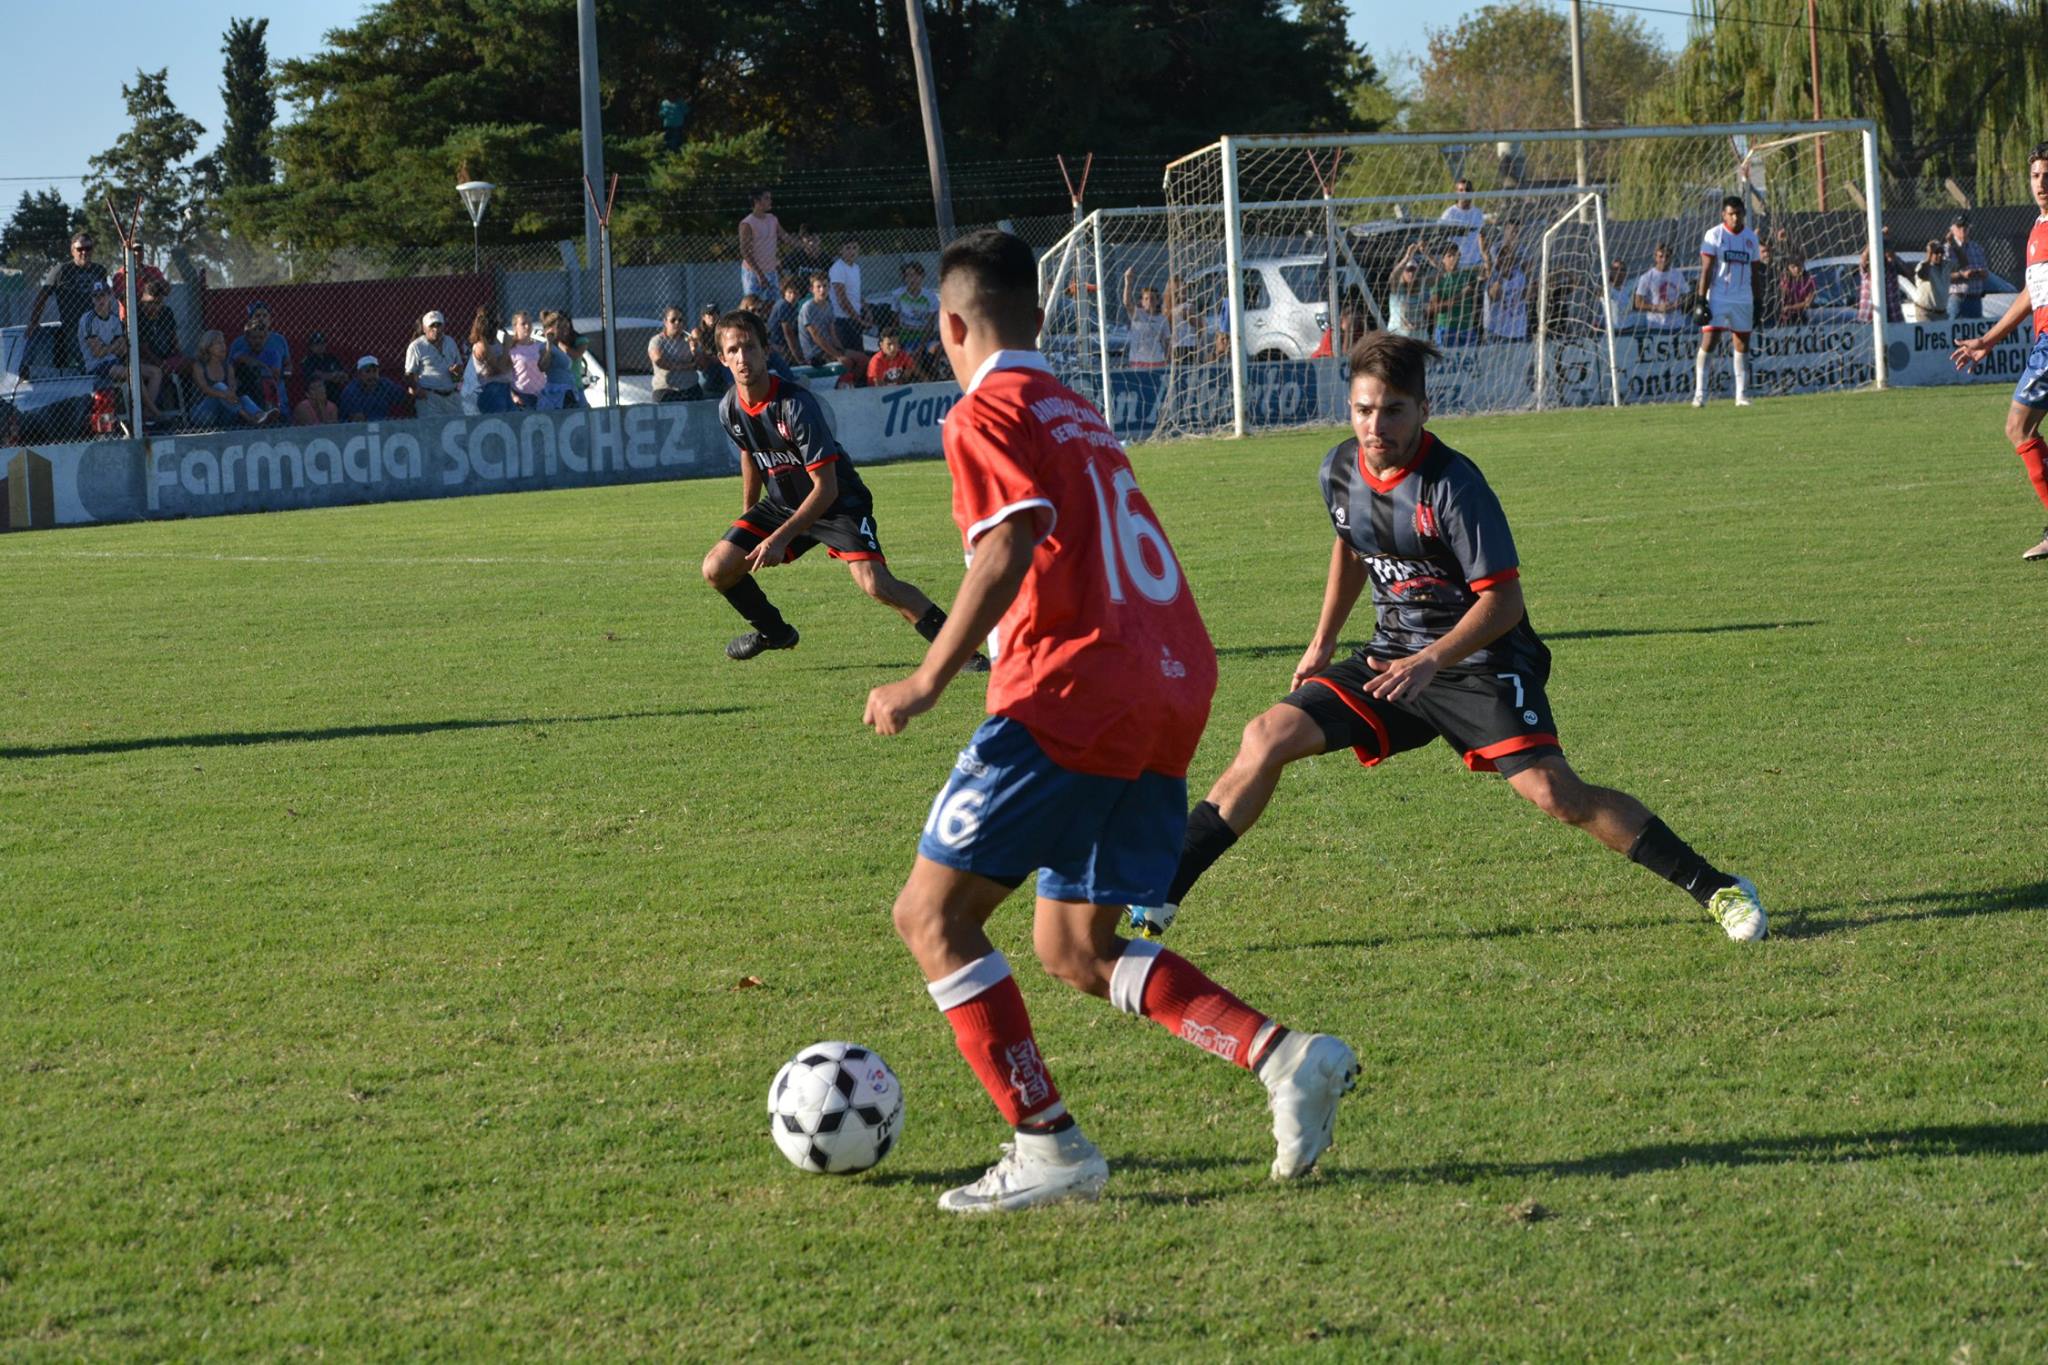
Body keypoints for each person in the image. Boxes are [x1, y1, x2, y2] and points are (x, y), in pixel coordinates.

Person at [861, 228, 1358, 1214]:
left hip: (1074, 687)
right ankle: (1282, 1057)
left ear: (950, 327)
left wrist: (925, 677)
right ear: (1041, 315)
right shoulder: (1075, 408)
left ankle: (1047, 1145)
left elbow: (1009, 541)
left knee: (931, 916)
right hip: (1170, 680)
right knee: (1073, 946)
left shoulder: (987, 407)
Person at [1127, 330, 1769, 950]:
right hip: (1391, 659)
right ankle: (1164, 888)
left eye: (1393, 411)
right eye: (1363, 410)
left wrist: (1432, 660)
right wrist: (1322, 643)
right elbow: (1352, 545)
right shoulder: (1340, 469)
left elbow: (1504, 601)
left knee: (1555, 794)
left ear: (1424, 409)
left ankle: (1717, 888)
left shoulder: (1454, 485)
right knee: (1266, 736)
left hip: (1479, 662)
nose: (1376, 426)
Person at [699, 307, 991, 670]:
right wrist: (749, 515)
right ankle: (775, 633)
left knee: (876, 584)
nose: (743, 357)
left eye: (749, 347)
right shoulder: (729, 407)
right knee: (717, 567)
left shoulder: (795, 405)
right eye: (733, 350)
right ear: (722, 358)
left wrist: (778, 539)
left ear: (766, 350)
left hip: (837, 503)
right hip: (783, 504)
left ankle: (962, 653)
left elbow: (826, 488)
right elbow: (750, 453)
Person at [1951, 140, 2048, 561]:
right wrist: (1988, 340)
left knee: (2018, 427)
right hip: (2043, 341)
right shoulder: (2039, 228)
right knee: (2020, 429)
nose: (2041, 183)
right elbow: (2031, 292)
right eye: (2035, 175)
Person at [1692, 197, 1761, 407]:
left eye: (1738, 213)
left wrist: (1758, 301)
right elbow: (1706, 269)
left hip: (1743, 298)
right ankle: (1700, 394)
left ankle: (1741, 395)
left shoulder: (1751, 238)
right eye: (1731, 214)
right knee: (1710, 340)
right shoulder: (1714, 235)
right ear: (1723, 214)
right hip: (1718, 296)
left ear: (1744, 214)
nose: (1735, 217)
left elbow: (1755, 273)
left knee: (1742, 343)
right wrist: (1701, 300)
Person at [78, 281, 162, 425]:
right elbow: (97, 353)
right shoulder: (88, 319)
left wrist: (107, 348)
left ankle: (146, 414)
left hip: (115, 362)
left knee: (155, 372)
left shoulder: (114, 319)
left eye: (103, 295)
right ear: (92, 299)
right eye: (96, 296)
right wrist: (113, 347)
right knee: (132, 374)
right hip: (96, 366)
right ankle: (155, 413)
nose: (100, 300)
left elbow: (122, 349)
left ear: (109, 296)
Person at [22, 232, 108, 368]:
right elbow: (42, 296)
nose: (84, 252)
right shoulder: (61, 270)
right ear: (72, 251)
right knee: (90, 363)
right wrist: (34, 322)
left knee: (113, 356)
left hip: (99, 327)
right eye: (80, 249)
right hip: (74, 328)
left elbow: (106, 298)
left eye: (88, 248)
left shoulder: (99, 270)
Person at [189, 329, 275, 427]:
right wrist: (225, 395)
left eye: (223, 342)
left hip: (224, 413)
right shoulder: (199, 366)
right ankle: (249, 418)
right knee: (219, 386)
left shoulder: (227, 366)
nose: (223, 346)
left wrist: (230, 394)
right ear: (208, 346)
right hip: (204, 414)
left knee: (244, 398)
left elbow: (232, 386)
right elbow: (205, 389)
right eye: (218, 343)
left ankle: (260, 415)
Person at [229, 301, 291, 416]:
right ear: (250, 319)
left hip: (275, 390)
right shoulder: (239, 343)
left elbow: (288, 365)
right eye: (257, 315)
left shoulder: (279, 340)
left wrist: (285, 374)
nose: (262, 318)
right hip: (248, 390)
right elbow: (230, 366)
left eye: (265, 315)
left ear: (270, 319)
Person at [134, 278, 188, 403]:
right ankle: (152, 408)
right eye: (150, 303)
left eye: (158, 303)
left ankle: (185, 405)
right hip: (147, 360)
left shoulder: (166, 312)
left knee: (190, 365)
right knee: (156, 372)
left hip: (167, 356)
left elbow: (174, 339)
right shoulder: (137, 315)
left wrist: (179, 355)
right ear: (142, 300)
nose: (154, 307)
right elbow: (143, 348)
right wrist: (160, 364)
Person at [403, 310, 464, 418]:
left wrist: (456, 372)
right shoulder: (416, 346)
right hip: (430, 399)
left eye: (439, 325)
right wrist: (417, 390)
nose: (436, 329)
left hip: (453, 397)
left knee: (459, 426)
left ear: (443, 326)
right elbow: (409, 375)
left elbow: (458, 373)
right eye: (432, 326)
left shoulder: (450, 342)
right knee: (432, 428)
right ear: (424, 328)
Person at [892, 261, 942, 375]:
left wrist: (921, 346)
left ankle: (936, 372)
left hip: (925, 335)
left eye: (915, 275)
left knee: (937, 348)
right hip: (907, 335)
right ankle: (922, 378)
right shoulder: (898, 295)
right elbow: (895, 320)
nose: (912, 279)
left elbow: (930, 324)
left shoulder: (930, 297)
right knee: (911, 355)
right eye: (908, 275)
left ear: (921, 276)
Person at [1427, 243, 1479, 347]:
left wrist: (1483, 249)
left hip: (1467, 328)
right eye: (1449, 256)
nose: (1453, 258)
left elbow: (1487, 272)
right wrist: (1462, 295)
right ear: (1443, 259)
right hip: (1446, 329)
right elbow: (1437, 308)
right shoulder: (1438, 280)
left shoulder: (1468, 275)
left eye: (1455, 255)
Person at [468, 306, 516, 414]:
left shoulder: (496, 342)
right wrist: (506, 347)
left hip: (505, 388)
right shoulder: (481, 344)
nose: (500, 322)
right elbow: (500, 368)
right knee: (499, 421)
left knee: (513, 418)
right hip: (491, 390)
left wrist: (506, 351)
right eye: (497, 320)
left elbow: (509, 365)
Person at [1944, 213, 1990, 320]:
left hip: (1975, 299)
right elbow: (1944, 276)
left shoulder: (1977, 248)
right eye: (1959, 226)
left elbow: (1986, 273)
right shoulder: (1947, 250)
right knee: (1955, 329)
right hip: (1957, 299)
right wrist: (1961, 275)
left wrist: (1979, 273)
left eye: (1965, 226)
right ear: (1952, 229)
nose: (1963, 229)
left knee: (1976, 330)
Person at [1481, 239, 1528, 343]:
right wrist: (1500, 277)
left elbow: (1526, 295)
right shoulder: (1492, 277)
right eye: (1503, 258)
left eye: (1509, 258)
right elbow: (1495, 296)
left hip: (1519, 331)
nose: (1507, 261)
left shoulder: (1519, 275)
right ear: (1497, 260)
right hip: (1497, 333)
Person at [1121, 268, 1170, 367]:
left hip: (1157, 361)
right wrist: (1128, 282)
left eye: (1152, 298)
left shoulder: (1162, 319)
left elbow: (1167, 342)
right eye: (1146, 299)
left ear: (1157, 301)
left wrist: (1168, 360)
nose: (1149, 301)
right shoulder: (1137, 314)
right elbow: (1127, 302)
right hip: (1138, 362)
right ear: (1142, 302)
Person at [650, 307, 701, 402]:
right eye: (673, 320)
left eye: (680, 320)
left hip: (690, 387)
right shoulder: (657, 341)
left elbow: (701, 364)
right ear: (665, 322)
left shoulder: (689, 339)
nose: (677, 323)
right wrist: (687, 366)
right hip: (666, 389)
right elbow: (659, 361)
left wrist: (694, 349)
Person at [739, 188, 782, 298]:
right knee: (753, 303)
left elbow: (784, 236)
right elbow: (744, 251)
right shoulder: (747, 224)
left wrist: (804, 244)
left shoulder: (772, 219)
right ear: (757, 201)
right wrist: (759, 274)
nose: (770, 201)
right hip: (753, 272)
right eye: (766, 198)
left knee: (772, 303)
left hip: (771, 271)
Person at [1634, 243, 1687, 332]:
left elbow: (1686, 295)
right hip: (1655, 326)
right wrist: (1657, 308)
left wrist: (1676, 304)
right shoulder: (1646, 277)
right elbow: (1638, 303)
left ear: (1671, 258)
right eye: (1661, 256)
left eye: (1667, 256)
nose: (1664, 259)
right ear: (1655, 257)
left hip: (1677, 325)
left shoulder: (1678, 275)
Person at [828, 237, 868, 357]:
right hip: (842, 321)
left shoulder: (856, 267)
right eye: (848, 248)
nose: (852, 251)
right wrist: (858, 320)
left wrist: (866, 309)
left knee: (860, 355)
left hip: (855, 318)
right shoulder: (838, 268)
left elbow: (856, 293)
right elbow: (842, 299)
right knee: (850, 358)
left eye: (854, 248)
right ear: (841, 250)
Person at [1385, 243, 1431, 338]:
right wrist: (1407, 257)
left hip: (1419, 336)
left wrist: (1427, 254)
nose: (1411, 273)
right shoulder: (1397, 288)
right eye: (1408, 270)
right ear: (1402, 272)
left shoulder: (1422, 288)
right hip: (1398, 337)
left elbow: (1442, 272)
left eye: (1413, 270)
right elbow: (1393, 276)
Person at [338, 356, 405, 421]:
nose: (372, 375)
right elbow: (354, 418)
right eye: (368, 371)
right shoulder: (350, 391)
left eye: (374, 371)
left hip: (384, 423)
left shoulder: (385, 384)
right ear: (359, 374)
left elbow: (403, 397)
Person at [1439, 177, 1486, 269]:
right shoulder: (1449, 214)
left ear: (1472, 192)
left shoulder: (1478, 213)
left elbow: (1482, 238)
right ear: (1456, 193)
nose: (1465, 193)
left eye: (1467, 190)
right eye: (1461, 190)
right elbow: (1442, 239)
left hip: (1476, 263)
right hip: (1457, 265)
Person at [506, 311, 547, 409]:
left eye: (529, 323)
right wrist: (513, 396)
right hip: (522, 396)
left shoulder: (539, 346)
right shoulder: (511, 350)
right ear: (515, 327)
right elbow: (506, 376)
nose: (527, 326)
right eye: (523, 324)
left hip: (542, 394)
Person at [765, 278, 805, 368]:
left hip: (784, 345)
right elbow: (788, 333)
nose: (793, 296)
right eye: (790, 292)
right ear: (784, 292)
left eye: (796, 293)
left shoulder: (794, 306)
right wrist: (798, 358)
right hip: (777, 344)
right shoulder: (783, 305)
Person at [299, 329, 349, 395]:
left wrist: (336, 376)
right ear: (311, 346)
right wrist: (333, 376)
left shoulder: (331, 358)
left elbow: (344, 375)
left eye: (322, 343)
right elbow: (314, 375)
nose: (320, 346)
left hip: (335, 393)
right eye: (317, 344)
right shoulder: (308, 360)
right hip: (317, 395)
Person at [1777, 252, 1817, 327]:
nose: (1797, 269)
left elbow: (1807, 303)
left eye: (1799, 265)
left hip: (1801, 318)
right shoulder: (1784, 280)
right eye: (1793, 267)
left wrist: (1790, 307)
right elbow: (1781, 299)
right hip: (1781, 320)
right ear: (1788, 268)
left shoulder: (1810, 280)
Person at [1602, 258, 1638, 332]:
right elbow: (1595, 291)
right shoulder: (1607, 289)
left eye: (1622, 270)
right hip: (1614, 332)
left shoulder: (1629, 286)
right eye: (1616, 269)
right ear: (1611, 271)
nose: (1619, 272)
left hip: (1631, 330)